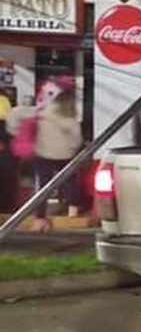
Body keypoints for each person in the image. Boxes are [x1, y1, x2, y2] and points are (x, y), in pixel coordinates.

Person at [31, 86, 84, 231]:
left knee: (43, 186)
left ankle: (40, 217)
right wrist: (71, 150)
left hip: (43, 154)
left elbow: (34, 132)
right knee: (71, 182)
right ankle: (72, 213)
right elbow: (77, 140)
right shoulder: (70, 119)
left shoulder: (43, 114)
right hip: (65, 156)